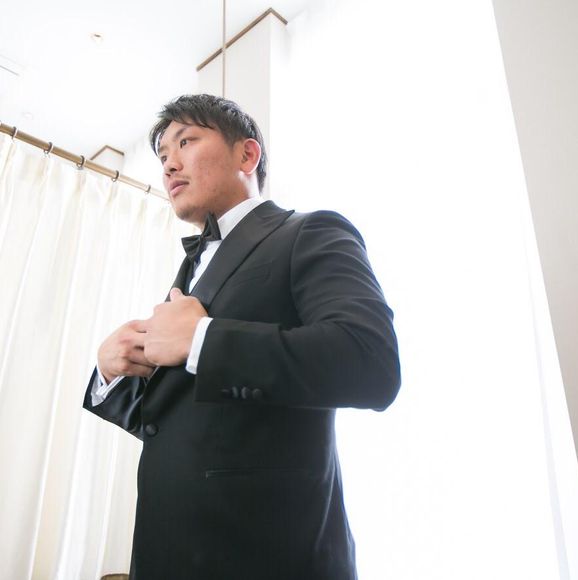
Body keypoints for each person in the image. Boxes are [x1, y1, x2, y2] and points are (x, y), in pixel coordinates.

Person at [83, 94, 400, 580]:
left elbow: (370, 363)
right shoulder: (190, 268)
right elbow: (177, 420)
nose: (169, 164)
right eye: (163, 154)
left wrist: (202, 340)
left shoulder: (310, 231)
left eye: (186, 142)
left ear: (247, 155)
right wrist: (110, 372)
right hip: (165, 552)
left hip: (267, 555)